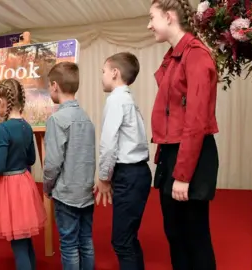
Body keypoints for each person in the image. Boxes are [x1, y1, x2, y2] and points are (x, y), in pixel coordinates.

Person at [147, 1, 219, 270]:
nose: (149, 24)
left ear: (168, 17)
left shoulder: (196, 54)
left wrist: (183, 175)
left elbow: (196, 121)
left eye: (152, 18)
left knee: (194, 237)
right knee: (175, 235)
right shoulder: (174, 55)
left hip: (191, 155)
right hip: (171, 153)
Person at [0, 78, 46, 270]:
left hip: (10, 189)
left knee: (18, 245)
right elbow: (32, 159)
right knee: (25, 241)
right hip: (24, 184)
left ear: (2, 101)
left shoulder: (3, 128)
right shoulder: (26, 126)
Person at [94, 52, 151, 270]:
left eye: (104, 71)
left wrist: (104, 177)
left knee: (121, 242)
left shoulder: (116, 100)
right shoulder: (128, 99)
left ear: (115, 73)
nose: (102, 76)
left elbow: (109, 144)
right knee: (129, 238)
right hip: (138, 173)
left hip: (128, 174)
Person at [43, 62, 96, 270]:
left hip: (65, 194)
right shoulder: (86, 117)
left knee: (69, 245)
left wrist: (47, 187)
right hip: (85, 192)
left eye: (49, 85)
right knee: (86, 242)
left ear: (55, 86)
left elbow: (52, 163)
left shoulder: (57, 119)